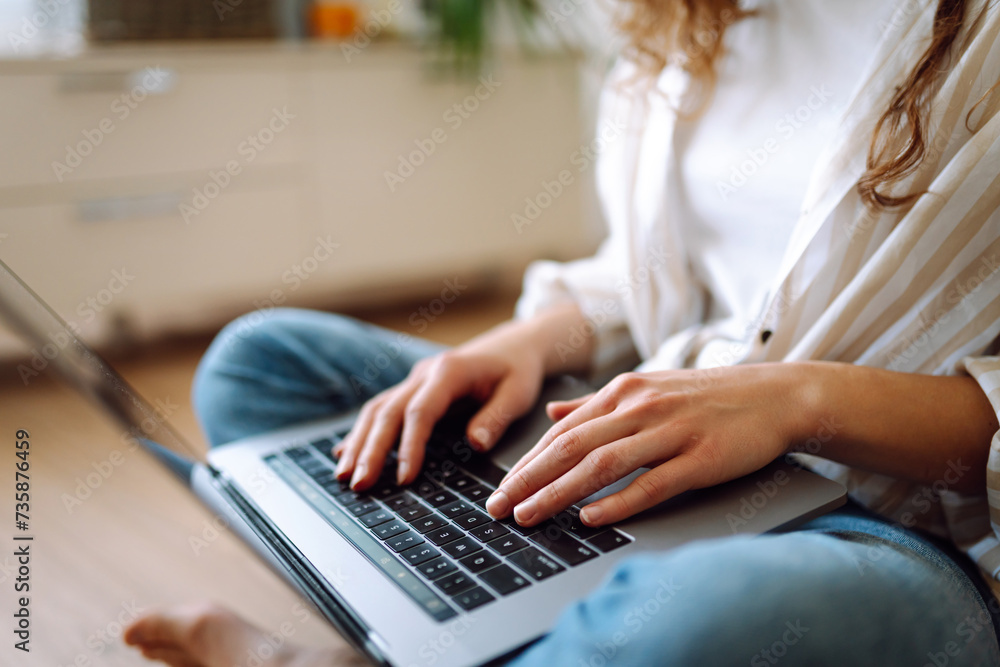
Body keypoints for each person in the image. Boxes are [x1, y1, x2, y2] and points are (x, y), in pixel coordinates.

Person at [125, 0, 1000, 664]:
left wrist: (798, 400)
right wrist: (532, 340)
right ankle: (495, 623)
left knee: (705, 611)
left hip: (895, 524)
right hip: (646, 441)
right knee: (264, 364)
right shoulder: (690, 20)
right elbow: (656, 272)